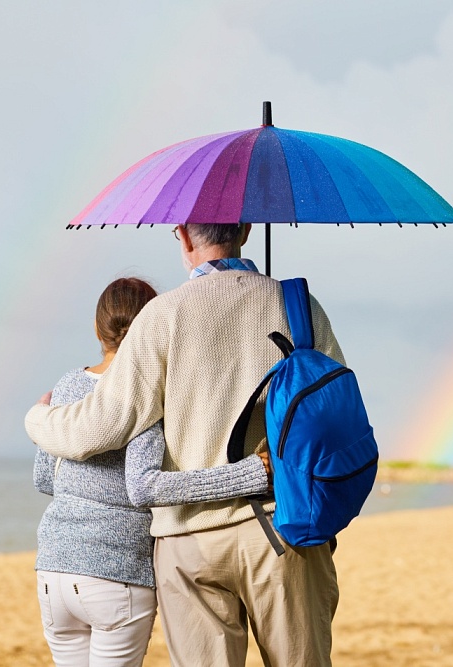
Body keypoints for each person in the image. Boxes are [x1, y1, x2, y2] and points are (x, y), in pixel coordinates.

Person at [26, 223, 345, 667]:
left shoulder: (161, 316)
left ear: (184, 236)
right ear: (247, 230)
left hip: (187, 540)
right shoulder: (298, 306)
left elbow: (99, 427)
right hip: (282, 528)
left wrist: (38, 418)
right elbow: (331, 418)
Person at [33, 276, 271, 667]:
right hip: (116, 573)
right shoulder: (142, 392)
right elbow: (143, 488)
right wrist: (248, 474)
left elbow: (46, 479)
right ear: (152, 327)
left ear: (99, 329)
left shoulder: (67, 385)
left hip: (54, 570)